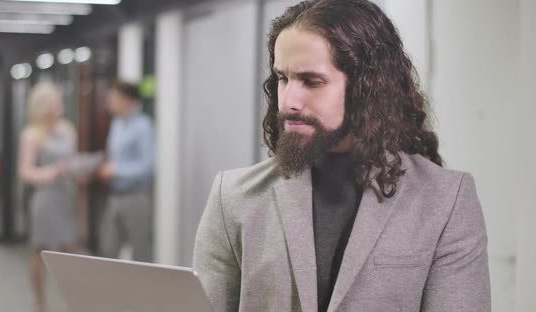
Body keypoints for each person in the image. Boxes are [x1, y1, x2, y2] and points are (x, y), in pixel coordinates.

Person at [193, 1, 491, 312]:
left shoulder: (446, 201)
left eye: (312, 81)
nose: (289, 101)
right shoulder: (233, 198)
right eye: (282, 78)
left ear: (367, 87)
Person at [18, 82, 80, 312]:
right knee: (39, 251)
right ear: (45, 108)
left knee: (69, 252)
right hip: (45, 199)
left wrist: (78, 169)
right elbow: (25, 171)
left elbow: (72, 161)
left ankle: (69, 301)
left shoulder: (68, 129)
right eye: (56, 102)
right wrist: (52, 172)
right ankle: (40, 302)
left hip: (65, 197)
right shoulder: (32, 135)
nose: (60, 106)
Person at [98, 80, 155, 262]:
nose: (109, 103)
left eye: (113, 99)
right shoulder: (116, 124)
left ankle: (143, 290)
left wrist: (117, 170)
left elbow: (148, 166)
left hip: (136, 197)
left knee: (141, 251)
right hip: (115, 195)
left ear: (128, 100)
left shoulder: (143, 126)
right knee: (108, 248)